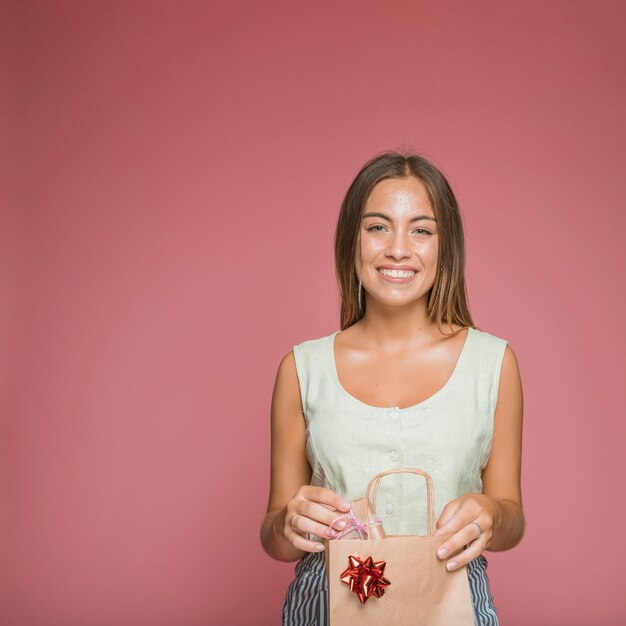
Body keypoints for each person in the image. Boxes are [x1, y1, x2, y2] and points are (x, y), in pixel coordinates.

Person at [260, 151, 525, 625]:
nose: (398, 249)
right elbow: (276, 538)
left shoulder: (493, 364)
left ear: (445, 246)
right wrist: (288, 522)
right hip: (325, 606)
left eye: (421, 230)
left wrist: (491, 515)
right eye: (378, 227)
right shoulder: (302, 368)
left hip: (450, 604)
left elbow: (510, 519)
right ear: (351, 240)